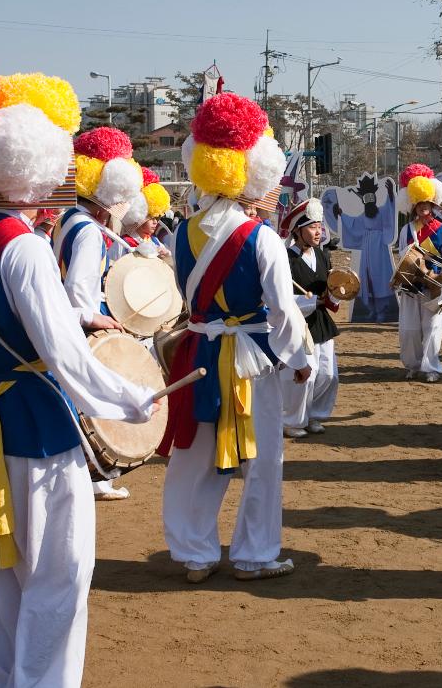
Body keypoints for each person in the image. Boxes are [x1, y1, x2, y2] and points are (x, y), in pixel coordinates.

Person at [0, 62, 159, 688]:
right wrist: (131, 400)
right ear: (41, 168)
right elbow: (65, 355)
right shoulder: (23, 245)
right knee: (58, 573)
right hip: (34, 420)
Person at [158, 92, 311, 583]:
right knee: (262, 458)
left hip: (199, 351)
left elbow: (180, 293)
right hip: (252, 358)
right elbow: (283, 309)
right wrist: (300, 357)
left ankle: (195, 552)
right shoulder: (261, 236)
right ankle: (255, 554)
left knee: (194, 454)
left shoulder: (180, 234)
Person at [53, 126, 145, 501]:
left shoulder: (67, 219)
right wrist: (95, 320)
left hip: (71, 323)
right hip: (82, 325)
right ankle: (95, 476)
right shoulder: (90, 231)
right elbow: (79, 290)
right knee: (90, 401)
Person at [395, 163, 442, 383]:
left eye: (427, 203)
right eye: (419, 204)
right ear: (414, 204)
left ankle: (430, 366)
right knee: (409, 330)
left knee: (433, 328)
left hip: (435, 287)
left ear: (433, 204)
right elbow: (401, 257)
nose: (423, 207)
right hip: (411, 287)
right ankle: (413, 365)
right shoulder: (406, 230)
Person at [279, 198, 340, 438]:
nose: (319, 231)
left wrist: (335, 294)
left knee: (328, 373)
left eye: (320, 226)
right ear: (298, 230)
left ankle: (315, 414)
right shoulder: (285, 259)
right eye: (313, 227)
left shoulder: (323, 256)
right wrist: (314, 301)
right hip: (298, 324)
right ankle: (292, 420)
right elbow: (282, 298)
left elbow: (330, 290)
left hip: (321, 322)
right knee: (307, 372)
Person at [120, 166, 173, 258]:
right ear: (139, 217)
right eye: (151, 218)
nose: (155, 222)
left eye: (157, 217)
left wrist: (167, 254)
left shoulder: (154, 241)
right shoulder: (124, 243)